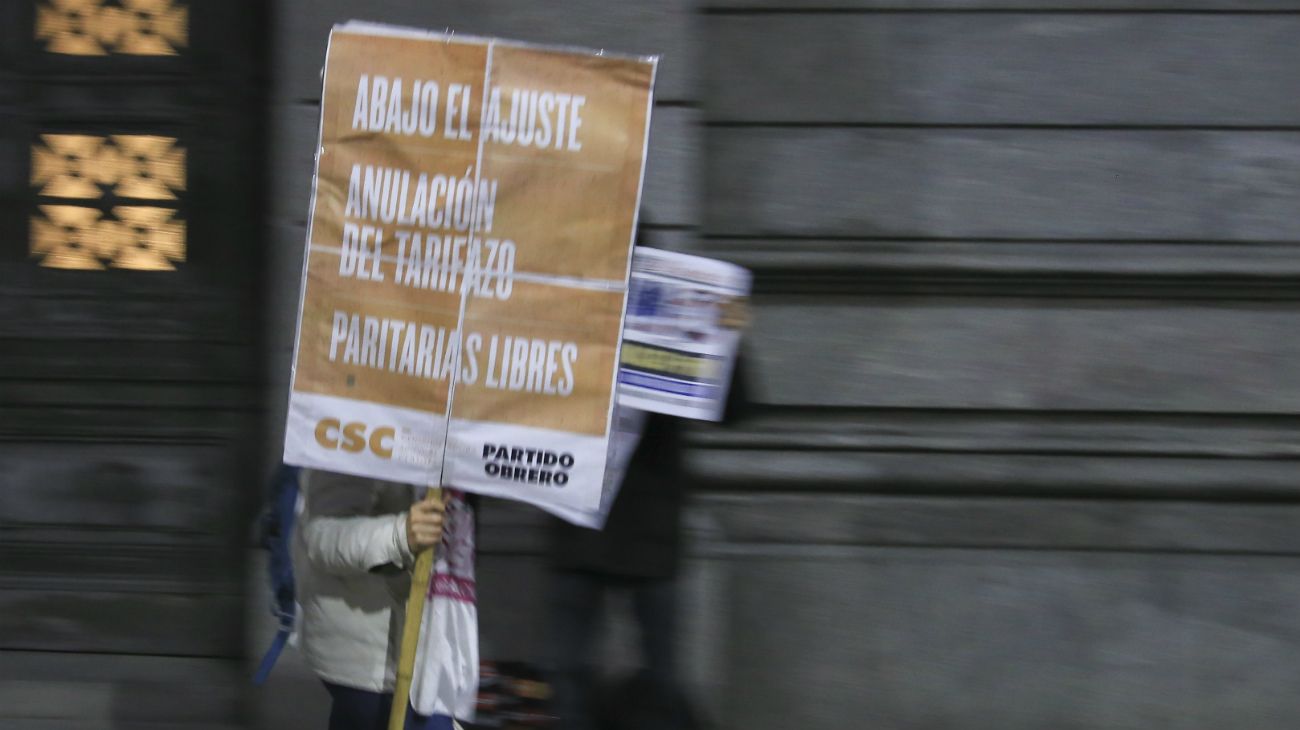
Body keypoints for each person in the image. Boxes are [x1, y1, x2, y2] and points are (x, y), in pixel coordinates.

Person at [547, 360, 751, 730]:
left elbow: (733, 406)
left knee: (660, 689)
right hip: (583, 514)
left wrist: (728, 334)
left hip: (642, 520)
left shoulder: (689, 307)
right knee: (567, 683)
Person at [293, 468, 464, 730]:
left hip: (425, 646)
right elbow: (321, 535)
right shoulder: (357, 432)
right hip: (373, 656)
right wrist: (401, 534)